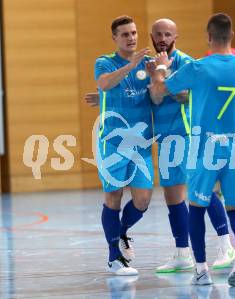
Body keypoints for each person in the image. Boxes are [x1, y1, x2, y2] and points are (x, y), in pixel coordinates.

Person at [86, 18, 235, 274]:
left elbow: (183, 95)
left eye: (168, 33)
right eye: (158, 34)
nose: (162, 38)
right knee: (170, 196)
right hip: (152, 140)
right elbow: (149, 95)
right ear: (152, 37)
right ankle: (180, 253)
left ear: (176, 35)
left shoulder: (186, 63)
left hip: (187, 135)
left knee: (200, 189)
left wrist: (164, 78)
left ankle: (226, 244)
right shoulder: (140, 63)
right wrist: (106, 93)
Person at [148, 13, 235, 286]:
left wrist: (161, 67)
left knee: (197, 207)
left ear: (208, 36)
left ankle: (202, 271)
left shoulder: (198, 68)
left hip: (206, 147)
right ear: (232, 36)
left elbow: (159, 90)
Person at [94, 15, 153, 276]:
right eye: (125, 34)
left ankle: (121, 233)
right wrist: (131, 65)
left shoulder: (147, 65)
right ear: (115, 38)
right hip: (113, 143)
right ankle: (114, 257)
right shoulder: (104, 62)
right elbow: (105, 83)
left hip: (140, 143)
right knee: (114, 197)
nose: (131, 38)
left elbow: (156, 93)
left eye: (134, 32)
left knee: (142, 199)